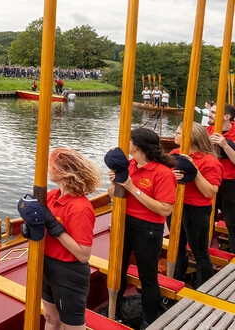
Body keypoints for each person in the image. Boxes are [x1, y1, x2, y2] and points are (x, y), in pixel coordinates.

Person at [19, 148, 102, 330]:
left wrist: (56, 229)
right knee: (50, 318)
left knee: (70, 326)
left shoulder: (80, 207)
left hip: (69, 272)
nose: (47, 168)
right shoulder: (51, 197)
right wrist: (30, 228)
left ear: (61, 171)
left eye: (50, 164)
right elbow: (42, 227)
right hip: (47, 266)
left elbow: (83, 254)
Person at [107, 127, 177, 328]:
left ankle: (148, 319)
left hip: (147, 228)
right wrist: (115, 185)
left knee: (147, 275)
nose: (125, 143)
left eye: (128, 140)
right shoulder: (129, 165)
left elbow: (165, 209)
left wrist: (132, 189)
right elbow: (112, 194)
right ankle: (116, 310)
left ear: (137, 146)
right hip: (125, 222)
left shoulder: (162, 173)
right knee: (117, 269)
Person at [168, 122, 223, 288]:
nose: (174, 136)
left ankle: (203, 287)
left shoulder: (210, 162)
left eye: (178, 133)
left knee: (199, 251)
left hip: (197, 210)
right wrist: (171, 175)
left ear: (190, 138)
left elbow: (209, 192)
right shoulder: (174, 154)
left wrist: (194, 170)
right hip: (176, 206)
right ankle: (177, 281)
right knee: (177, 247)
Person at [207, 103, 235, 253]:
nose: (209, 114)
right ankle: (203, 254)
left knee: (232, 222)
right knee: (206, 221)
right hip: (210, 182)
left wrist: (225, 145)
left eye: (213, 112)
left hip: (230, 184)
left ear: (226, 117)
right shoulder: (207, 131)